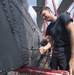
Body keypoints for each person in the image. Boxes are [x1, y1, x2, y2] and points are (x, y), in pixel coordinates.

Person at [39, 6, 74, 75]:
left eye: (44, 14)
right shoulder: (49, 28)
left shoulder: (63, 17)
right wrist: (45, 48)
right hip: (56, 51)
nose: (43, 18)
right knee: (53, 70)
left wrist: (73, 57)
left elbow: (73, 32)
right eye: (42, 17)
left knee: (67, 71)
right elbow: (51, 41)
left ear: (49, 11)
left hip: (66, 50)